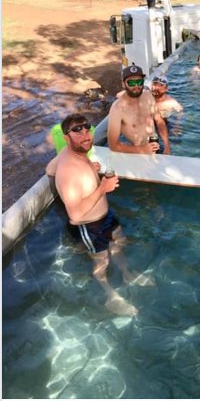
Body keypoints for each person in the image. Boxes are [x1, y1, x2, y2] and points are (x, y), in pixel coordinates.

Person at [46, 114, 145, 317]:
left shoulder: (70, 154)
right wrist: (102, 188)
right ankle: (111, 296)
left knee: (120, 241)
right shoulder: (69, 171)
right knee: (102, 261)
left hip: (104, 216)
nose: (85, 135)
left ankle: (127, 274)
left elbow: (49, 168)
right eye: (77, 131)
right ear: (66, 137)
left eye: (86, 129)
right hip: (87, 225)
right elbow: (75, 215)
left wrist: (91, 168)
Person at [108, 63, 171, 154]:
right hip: (136, 152)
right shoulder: (117, 109)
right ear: (123, 83)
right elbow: (113, 145)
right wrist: (143, 150)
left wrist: (167, 145)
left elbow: (159, 120)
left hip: (155, 147)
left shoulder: (148, 96)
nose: (136, 86)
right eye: (131, 83)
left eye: (140, 82)